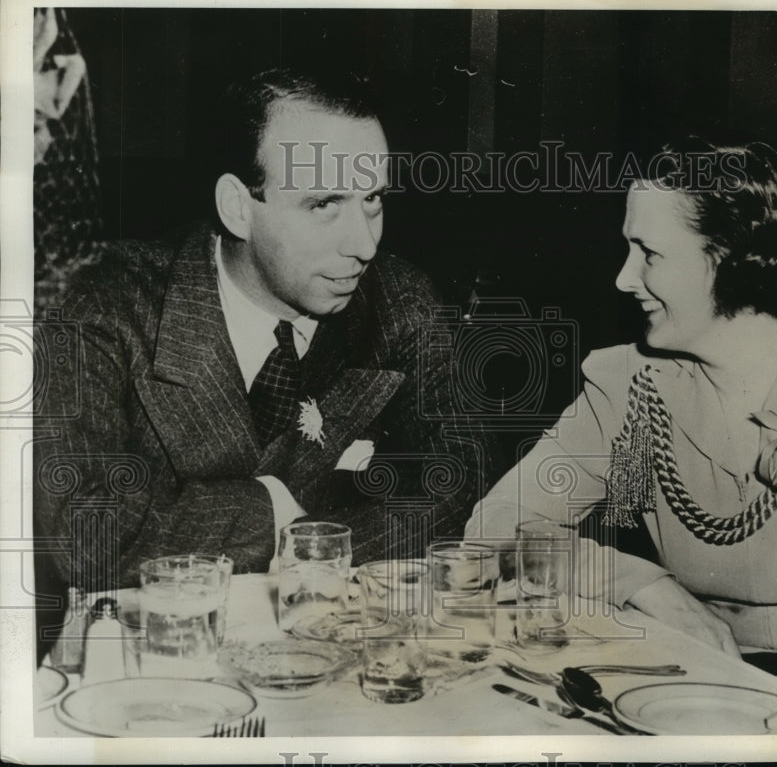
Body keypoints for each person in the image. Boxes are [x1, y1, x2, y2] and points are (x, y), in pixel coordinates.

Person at [465, 136, 777, 717]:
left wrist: (761, 710)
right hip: (682, 682)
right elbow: (492, 529)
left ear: (732, 259)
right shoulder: (630, 385)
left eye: (649, 253)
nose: (623, 279)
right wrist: (641, 583)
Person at [34, 67, 496, 595]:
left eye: (372, 199)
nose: (365, 245)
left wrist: (311, 550)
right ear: (238, 209)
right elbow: (85, 530)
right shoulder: (103, 305)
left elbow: (462, 483)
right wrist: (272, 511)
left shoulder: (400, 301)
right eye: (325, 204)